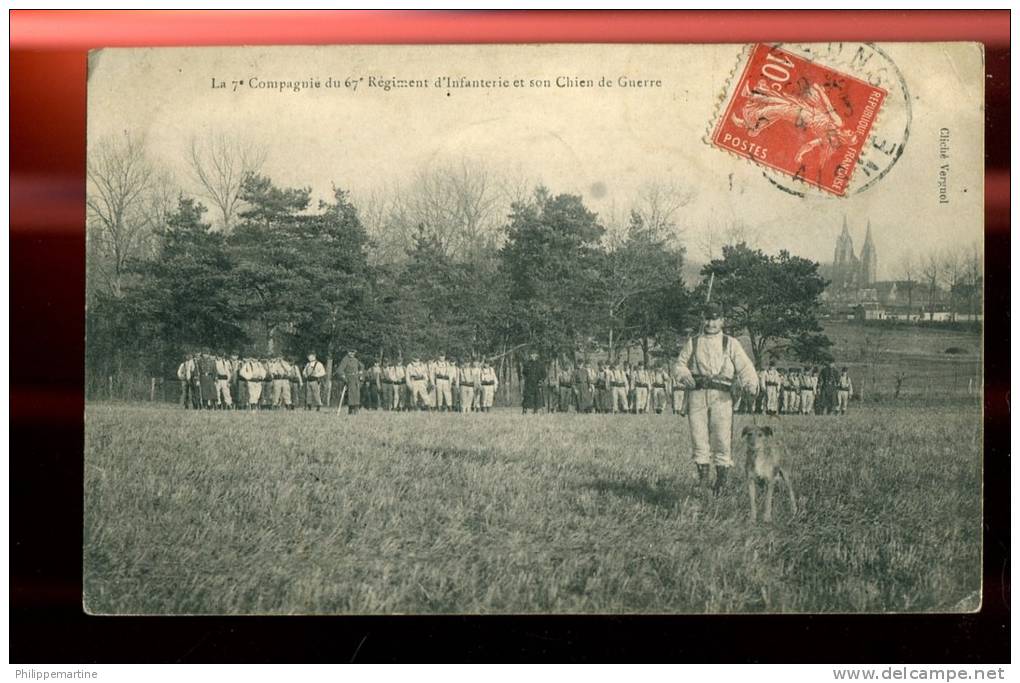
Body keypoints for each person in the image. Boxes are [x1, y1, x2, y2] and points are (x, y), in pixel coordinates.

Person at [675, 302, 759, 495]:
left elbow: (745, 367)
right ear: (702, 319)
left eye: (715, 319)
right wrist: (683, 374)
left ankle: (721, 483)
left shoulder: (730, 343)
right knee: (699, 437)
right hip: (697, 395)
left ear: (722, 320)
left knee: (722, 437)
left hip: (722, 397)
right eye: (707, 318)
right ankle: (703, 481)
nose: (711, 323)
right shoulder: (693, 342)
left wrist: (751, 385)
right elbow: (679, 364)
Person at [337, 349, 364, 414]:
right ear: (348, 352)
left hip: (356, 379)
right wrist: (345, 379)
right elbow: (340, 370)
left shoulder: (356, 360)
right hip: (349, 378)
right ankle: (351, 409)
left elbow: (361, 367)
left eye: (353, 352)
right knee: (351, 394)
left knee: (357, 394)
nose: (352, 353)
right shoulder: (345, 360)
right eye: (350, 352)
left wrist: (360, 374)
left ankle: (356, 409)